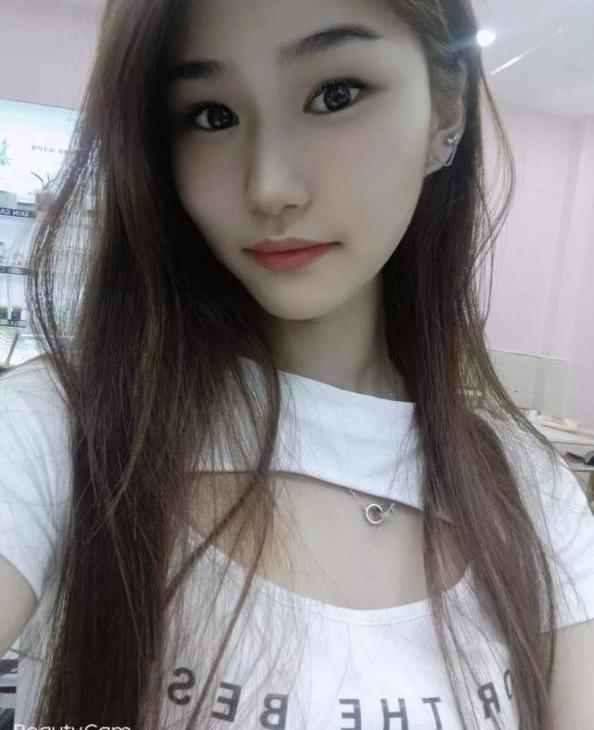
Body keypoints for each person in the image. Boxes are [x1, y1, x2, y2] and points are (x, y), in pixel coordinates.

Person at [1, 0, 593, 728]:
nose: (268, 186)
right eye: (212, 115)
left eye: (335, 94)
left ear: (445, 112)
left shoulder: (532, 491)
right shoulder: (67, 425)